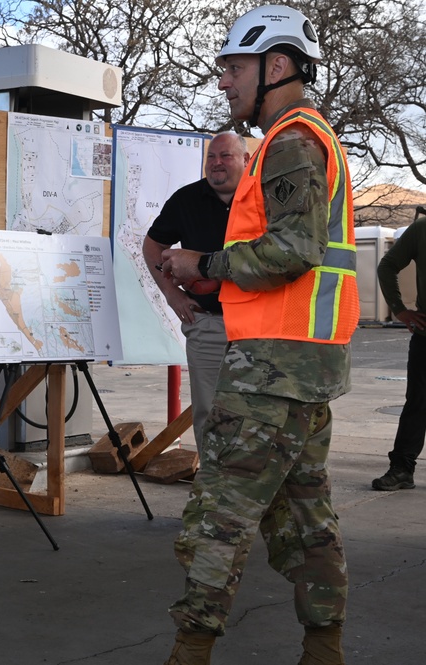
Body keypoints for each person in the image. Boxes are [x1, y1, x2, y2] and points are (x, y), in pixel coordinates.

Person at [157, 6, 359, 664]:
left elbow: (294, 250)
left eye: (233, 68)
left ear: (276, 66)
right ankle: (322, 648)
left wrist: (202, 265)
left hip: (270, 371)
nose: (223, 82)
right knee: (305, 514)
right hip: (304, 368)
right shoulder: (305, 137)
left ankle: (189, 651)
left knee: (219, 514)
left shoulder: (291, 139)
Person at [143, 131, 250, 454]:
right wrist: (171, 294)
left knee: (256, 415)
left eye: (226, 156)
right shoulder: (186, 199)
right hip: (209, 323)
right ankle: (213, 492)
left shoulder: (262, 199)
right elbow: (152, 246)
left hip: (259, 325)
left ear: (246, 159)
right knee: (209, 413)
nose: (216, 163)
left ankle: (251, 494)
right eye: (211, 157)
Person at [372, 205, 426, 491]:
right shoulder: (422, 228)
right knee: (417, 403)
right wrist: (399, 310)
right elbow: (387, 265)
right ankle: (402, 468)